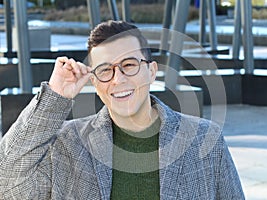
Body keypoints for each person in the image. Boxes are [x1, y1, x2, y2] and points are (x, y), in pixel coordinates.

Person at [0, 20, 244, 199]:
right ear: (94, 82)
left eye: (129, 64)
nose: (118, 80)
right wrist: (55, 96)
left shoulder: (205, 140)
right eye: (105, 70)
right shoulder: (67, 144)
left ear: (151, 71)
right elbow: (6, 180)